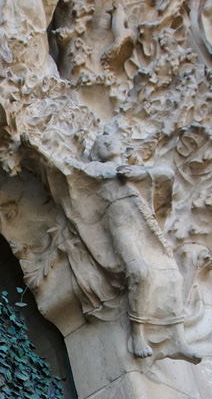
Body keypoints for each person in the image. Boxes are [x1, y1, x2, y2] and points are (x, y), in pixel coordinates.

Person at [60, 132, 201, 361]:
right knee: (139, 272)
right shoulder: (97, 168)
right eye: (101, 143)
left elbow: (167, 174)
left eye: (111, 139)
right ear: (95, 154)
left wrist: (140, 173)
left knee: (173, 274)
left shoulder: (134, 170)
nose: (107, 141)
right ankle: (137, 334)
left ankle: (178, 339)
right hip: (119, 223)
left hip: (144, 222)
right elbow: (71, 171)